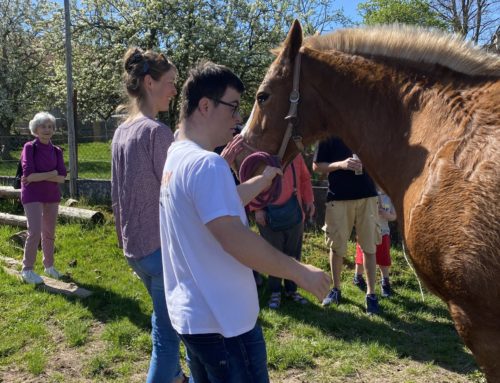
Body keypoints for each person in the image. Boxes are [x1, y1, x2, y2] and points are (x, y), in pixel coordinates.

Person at [159, 61, 331, 383]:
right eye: (235, 107)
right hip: (226, 326)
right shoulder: (206, 165)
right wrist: (299, 271)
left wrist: (261, 182)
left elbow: (212, 207)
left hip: (193, 320)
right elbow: (233, 237)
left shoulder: (177, 155)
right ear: (205, 106)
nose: (240, 118)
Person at [111, 47, 187, 383]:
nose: (174, 90)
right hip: (161, 252)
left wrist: (122, 238)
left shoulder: (121, 132)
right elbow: (178, 196)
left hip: (134, 250)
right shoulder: (157, 132)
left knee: (162, 321)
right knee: (167, 338)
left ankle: (178, 377)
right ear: (148, 82)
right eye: (170, 82)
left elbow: (116, 195)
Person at [313, 137, 381, 315]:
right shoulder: (327, 135)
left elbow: (381, 158)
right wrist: (341, 165)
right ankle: (336, 290)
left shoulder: (364, 129)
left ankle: (371, 295)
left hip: (367, 197)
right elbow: (317, 166)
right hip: (339, 198)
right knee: (337, 248)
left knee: (370, 247)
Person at [252, 154, 315, 309]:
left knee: (293, 254)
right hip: (268, 216)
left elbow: (305, 178)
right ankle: (275, 291)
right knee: (273, 254)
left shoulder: (295, 156)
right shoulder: (261, 154)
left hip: (294, 213)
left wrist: (309, 201)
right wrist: (258, 209)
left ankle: (291, 290)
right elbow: (251, 181)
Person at [20, 112, 67, 284]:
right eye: (43, 126)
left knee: (49, 233)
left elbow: (62, 177)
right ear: (35, 129)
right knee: (34, 232)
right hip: (32, 195)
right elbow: (29, 175)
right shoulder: (29, 147)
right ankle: (27, 270)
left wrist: (44, 176)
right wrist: (52, 173)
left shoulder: (56, 151)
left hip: (51, 195)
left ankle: (49, 266)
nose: (47, 130)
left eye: (50, 127)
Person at [354, 187, 397, 297]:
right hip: (365, 231)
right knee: (361, 257)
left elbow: (394, 216)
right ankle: (358, 277)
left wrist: (386, 215)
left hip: (383, 232)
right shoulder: (367, 195)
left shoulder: (389, 197)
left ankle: (385, 282)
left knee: (384, 259)